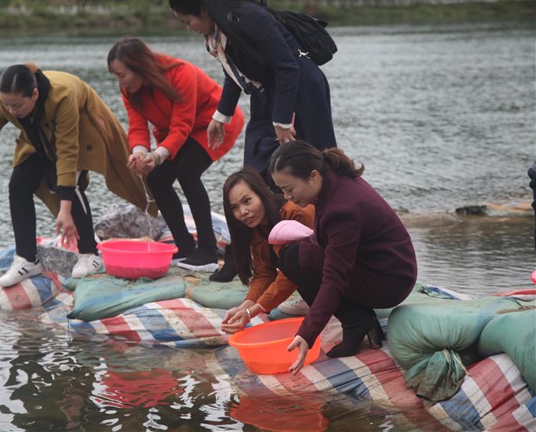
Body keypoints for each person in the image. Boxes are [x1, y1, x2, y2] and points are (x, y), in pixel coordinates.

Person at [0, 63, 154, 287]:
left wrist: (64, 210)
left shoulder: (63, 97)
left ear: (34, 94)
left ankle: (90, 253)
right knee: (19, 185)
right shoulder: (7, 103)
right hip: (39, 138)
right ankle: (27, 258)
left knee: (69, 183)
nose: (11, 111)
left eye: (16, 106)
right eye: (6, 105)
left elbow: (67, 152)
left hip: (81, 130)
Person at [168, 0, 337, 184]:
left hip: (299, 90)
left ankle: (330, 210)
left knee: (313, 162)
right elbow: (233, 74)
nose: (188, 27)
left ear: (203, 10)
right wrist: (220, 117)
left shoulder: (248, 18)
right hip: (266, 94)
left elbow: (287, 66)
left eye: (187, 21)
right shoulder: (218, 32)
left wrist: (282, 121)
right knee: (257, 166)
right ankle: (276, 213)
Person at [269, 141, 417, 373]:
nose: (288, 197)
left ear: (313, 176)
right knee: (293, 255)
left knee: (294, 258)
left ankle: (355, 322)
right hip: (380, 265)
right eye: (282, 191)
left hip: (389, 280)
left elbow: (334, 279)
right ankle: (359, 318)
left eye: (289, 189)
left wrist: (307, 333)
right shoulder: (332, 177)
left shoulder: (342, 208)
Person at [107, 37, 244, 271]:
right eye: (117, 77)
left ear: (138, 66)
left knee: (187, 172)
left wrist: (157, 155)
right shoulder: (129, 90)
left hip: (215, 124)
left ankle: (208, 252)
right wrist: (139, 154)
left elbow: (183, 123)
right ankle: (185, 247)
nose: (121, 82)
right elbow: (138, 126)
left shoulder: (180, 73)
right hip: (179, 133)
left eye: (122, 75)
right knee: (156, 178)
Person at [219, 167, 315, 334]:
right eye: (234, 207)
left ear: (262, 194)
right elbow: (264, 273)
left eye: (247, 201)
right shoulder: (258, 228)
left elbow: (290, 274)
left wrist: (251, 312)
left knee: (292, 257)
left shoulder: (294, 212)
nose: (243, 212)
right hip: (317, 279)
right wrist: (243, 307)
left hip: (341, 277)